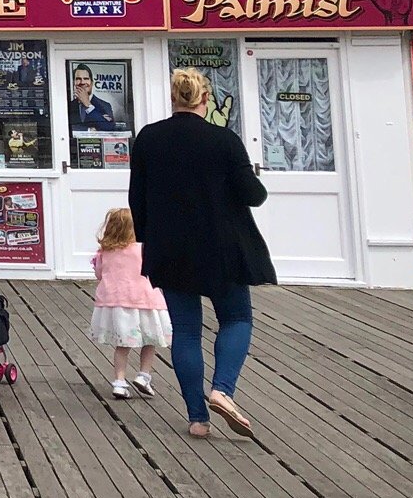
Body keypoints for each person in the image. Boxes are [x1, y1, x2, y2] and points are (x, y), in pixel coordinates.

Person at [130, 67, 275, 439]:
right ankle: (223, 390)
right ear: (205, 100)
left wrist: (150, 241)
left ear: (173, 99)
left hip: (171, 249)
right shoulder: (223, 140)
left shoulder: (148, 139)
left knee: (186, 331)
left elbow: (138, 200)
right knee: (237, 319)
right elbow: (253, 196)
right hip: (223, 249)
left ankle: (197, 418)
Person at [89, 206, 170, 400]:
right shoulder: (143, 248)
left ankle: (119, 381)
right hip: (146, 300)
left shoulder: (105, 252)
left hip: (117, 303)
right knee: (150, 340)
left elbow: (99, 274)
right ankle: (144, 375)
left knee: (122, 344)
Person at [68, 64, 118, 130]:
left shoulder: (105, 105)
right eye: (78, 79)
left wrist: (88, 105)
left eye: (86, 78)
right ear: (74, 83)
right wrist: (89, 130)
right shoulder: (68, 106)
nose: (82, 82)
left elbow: (109, 128)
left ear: (92, 83)